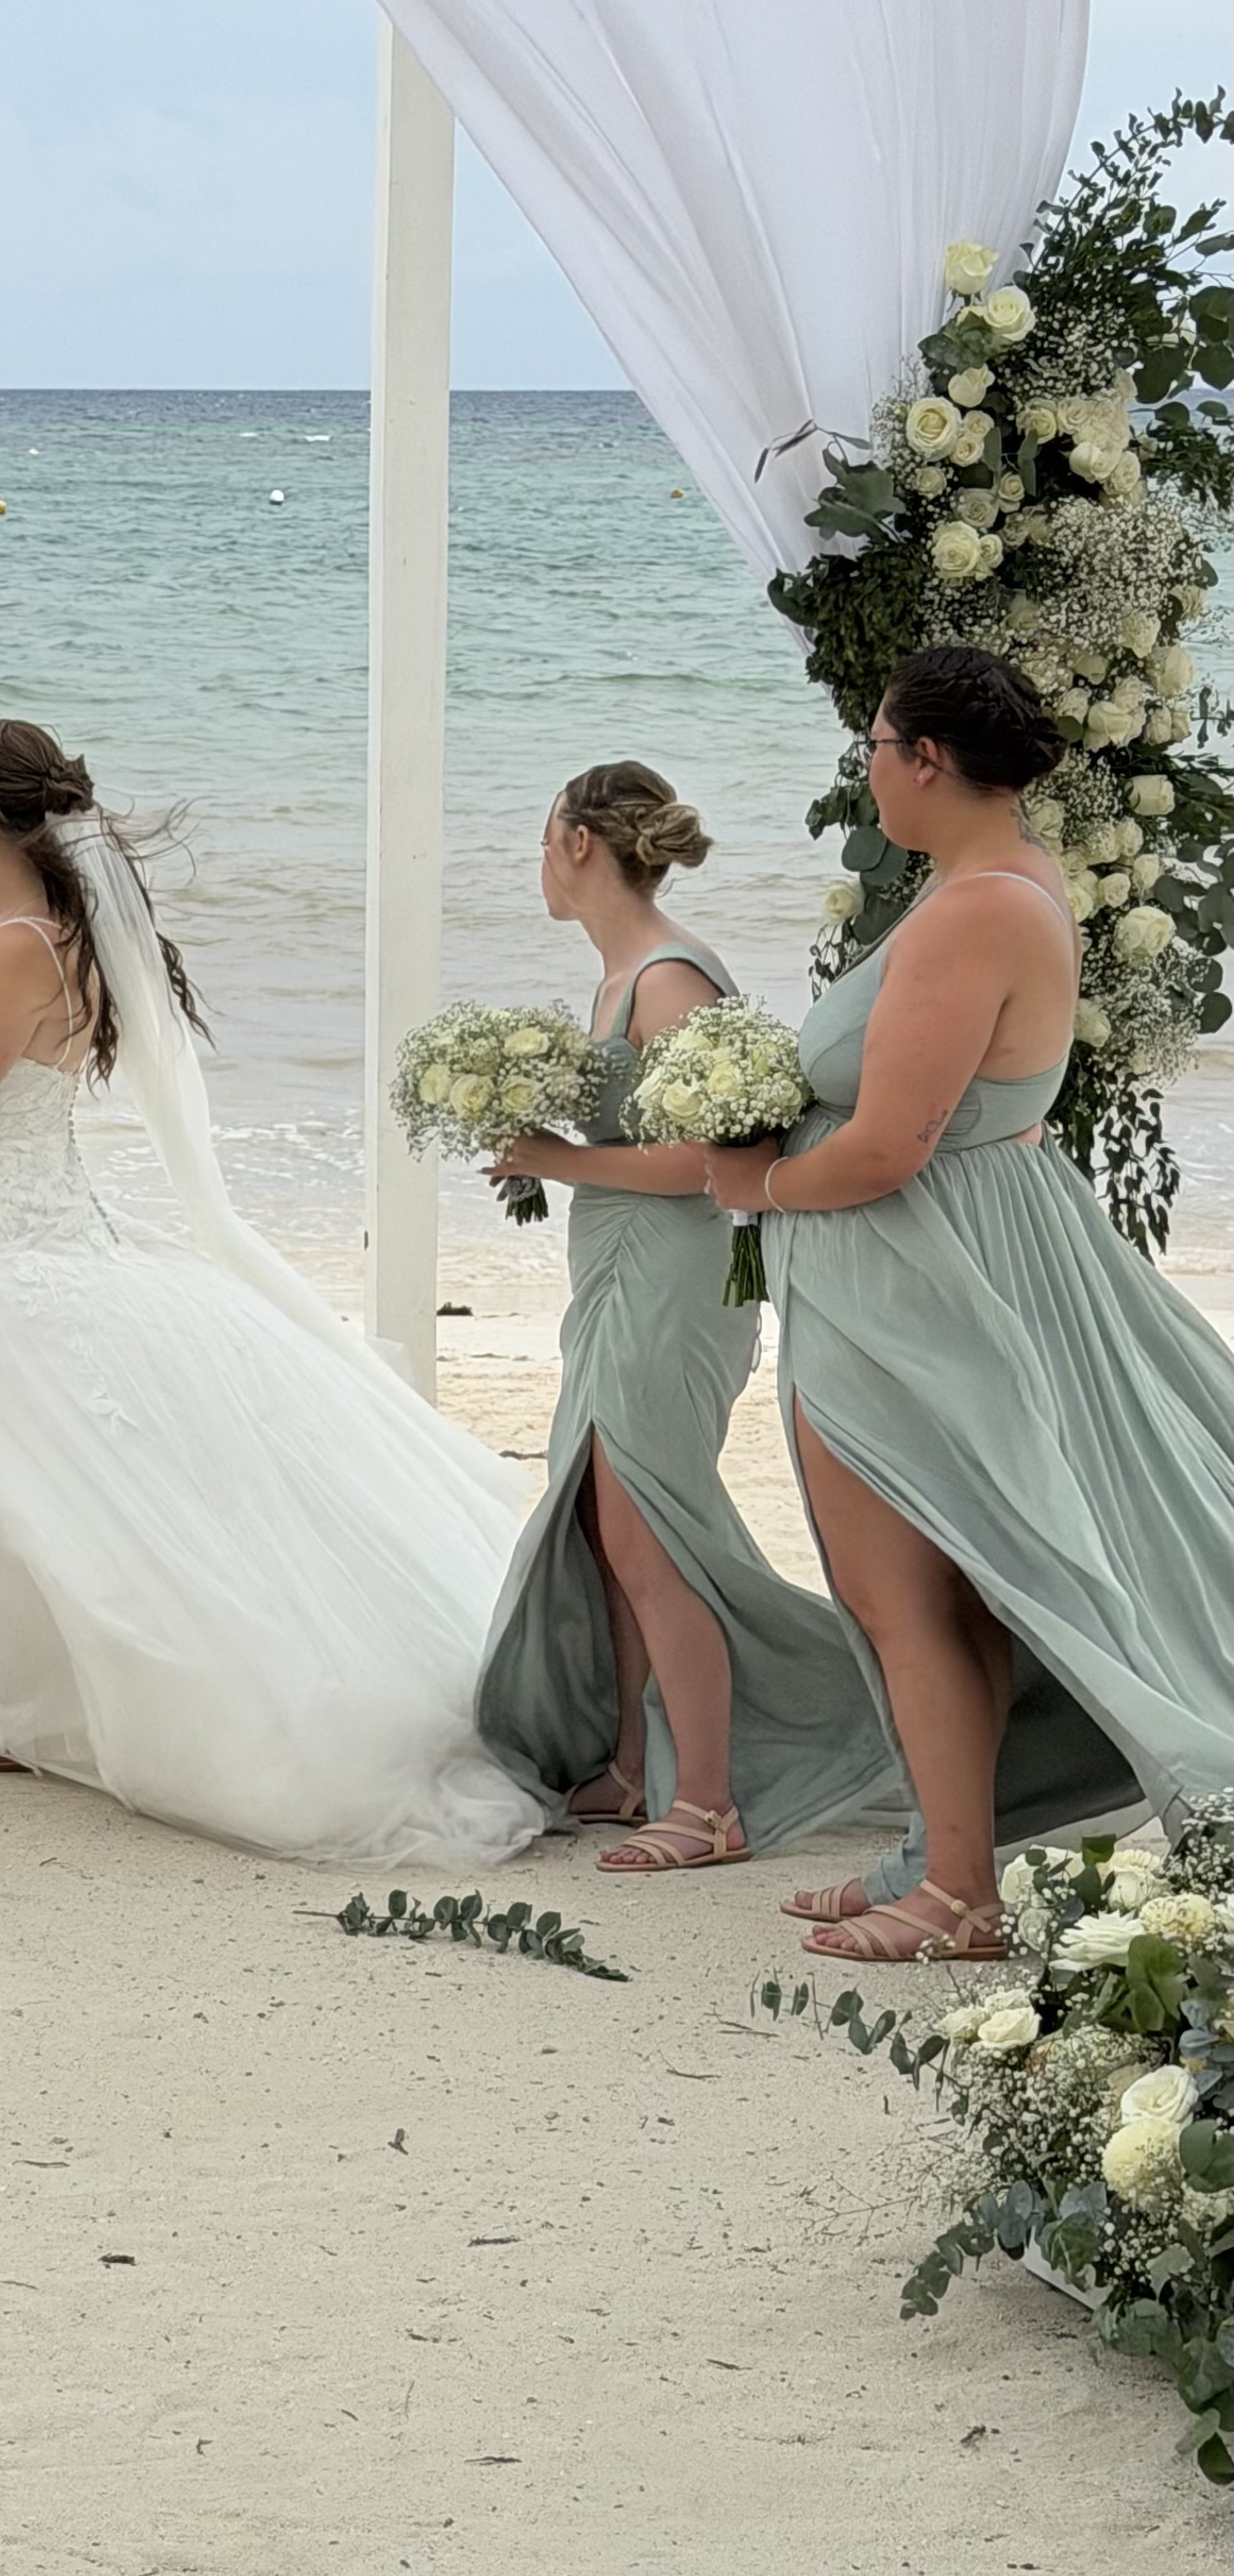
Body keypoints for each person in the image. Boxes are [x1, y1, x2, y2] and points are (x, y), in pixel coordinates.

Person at [0, 718, 545, 1863]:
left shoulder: (21, 947)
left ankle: (14, 1715)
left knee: (22, 1491)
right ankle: (15, 1708)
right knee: (2, 1494)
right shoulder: (16, 934)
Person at [709, 646, 1234, 1963]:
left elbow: (890, 1145)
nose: (868, 772)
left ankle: (958, 1897)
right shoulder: (996, 882)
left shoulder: (972, 911)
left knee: (906, 1596)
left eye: (876, 749)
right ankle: (940, 1852)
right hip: (945, 1252)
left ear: (926, 760)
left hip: (916, 1272)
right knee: (951, 1581)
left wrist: (755, 1180)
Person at [474, 763, 888, 1869]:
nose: (537, 855)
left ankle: (706, 1803)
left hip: (674, 1280)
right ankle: (627, 1761)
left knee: (649, 1533)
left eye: (541, 830)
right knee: (614, 1532)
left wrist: (558, 1156)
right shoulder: (618, 978)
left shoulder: (668, 982)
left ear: (575, 842)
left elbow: (715, 1163)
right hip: (618, 1266)